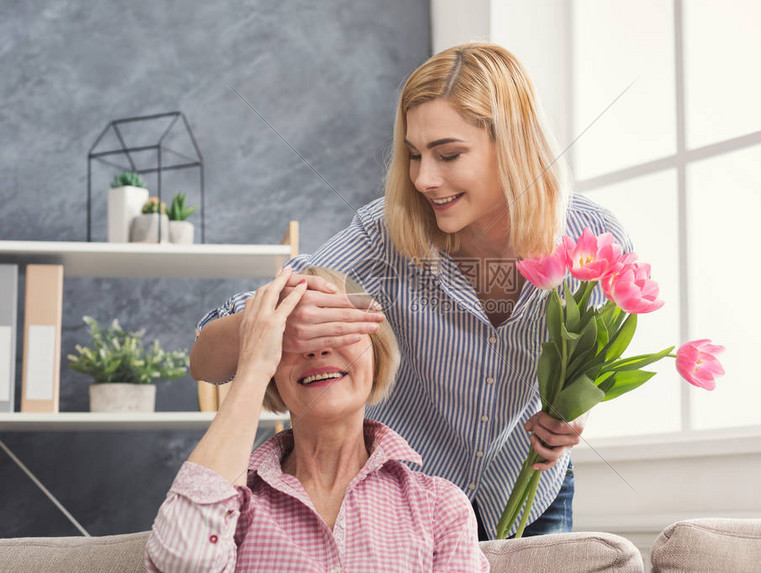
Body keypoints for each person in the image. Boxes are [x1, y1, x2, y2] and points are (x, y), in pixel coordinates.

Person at [190, 42, 633, 540]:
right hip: (409, 503)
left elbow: (592, 355)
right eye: (414, 155)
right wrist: (279, 323)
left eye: (448, 154)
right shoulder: (386, 235)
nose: (424, 178)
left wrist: (571, 417)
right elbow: (205, 360)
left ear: (513, 145)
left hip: (527, 493)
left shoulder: (592, 240)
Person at [146, 266, 489, 572]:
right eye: (297, 335)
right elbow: (180, 563)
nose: (317, 348)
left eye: (337, 326)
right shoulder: (233, 507)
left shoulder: (439, 506)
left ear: (376, 352)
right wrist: (252, 367)